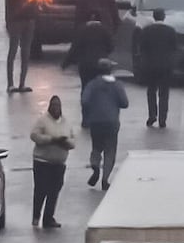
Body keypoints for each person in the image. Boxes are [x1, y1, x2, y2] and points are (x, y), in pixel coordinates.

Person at [80, 60, 129, 191]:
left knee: (96, 147)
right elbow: (125, 103)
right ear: (110, 70)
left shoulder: (92, 84)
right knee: (110, 151)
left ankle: (95, 165)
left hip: (95, 121)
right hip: (112, 121)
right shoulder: (117, 85)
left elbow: (84, 100)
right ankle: (105, 179)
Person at [29, 95, 75, 229]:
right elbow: (34, 135)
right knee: (41, 190)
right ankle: (36, 216)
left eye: (58, 106)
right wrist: (51, 139)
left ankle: (48, 218)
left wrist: (65, 142)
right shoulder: (42, 120)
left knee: (54, 191)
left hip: (59, 163)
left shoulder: (66, 122)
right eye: (53, 105)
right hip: (42, 162)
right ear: (49, 107)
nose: (56, 108)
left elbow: (73, 141)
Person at [3, 0, 38, 93]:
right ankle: (10, 84)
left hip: (29, 17)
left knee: (26, 51)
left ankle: (22, 83)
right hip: (15, 18)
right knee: (13, 50)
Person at [137, 8, 177, 128]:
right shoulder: (170, 31)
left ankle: (152, 115)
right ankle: (162, 119)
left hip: (150, 66)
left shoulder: (146, 31)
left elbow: (142, 48)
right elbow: (174, 48)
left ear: (154, 16)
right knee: (164, 93)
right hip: (165, 66)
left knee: (151, 91)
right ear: (163, 17)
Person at [68, 17, 114, 91]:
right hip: (101, 64)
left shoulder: (82, 29)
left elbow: (75, 47)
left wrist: (66, 62)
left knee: (85, 86)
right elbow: (111, 47)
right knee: (102, 87)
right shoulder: (105, 30)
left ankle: (86, 99)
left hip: (85, 65)